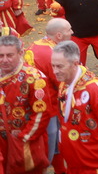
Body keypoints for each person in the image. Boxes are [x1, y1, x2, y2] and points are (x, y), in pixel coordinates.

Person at [51, 40, 98, 174]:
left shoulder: (94, 89)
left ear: (75, 64)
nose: (55, 71)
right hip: (73, 161)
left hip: (94, 164)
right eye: (53, 66)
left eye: (59, 66)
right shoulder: (64, 82)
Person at [24, 18, 73, 172]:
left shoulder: (36, 45)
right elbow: (63, 83)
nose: (72, 32)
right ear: (59, 35)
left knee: (54, 144)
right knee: (50, 146)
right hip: (48, 108)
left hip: (36, 104)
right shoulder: (53, 54)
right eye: (69, 30)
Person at [0, 35, 51, 174]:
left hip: (25, 143)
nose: (4, 60)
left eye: (9, 55)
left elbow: (42, 114)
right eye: (1, 55)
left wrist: (24, 138)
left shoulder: (34, 78)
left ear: (20, 53)